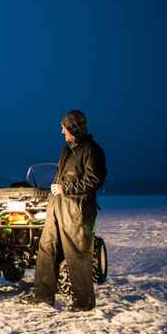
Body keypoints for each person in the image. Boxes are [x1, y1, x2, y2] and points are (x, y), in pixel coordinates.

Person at [26, 110, 107, 311]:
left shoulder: (92, 150)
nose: (62, 131)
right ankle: (43, 296)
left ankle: (83, 302)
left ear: (73, 127)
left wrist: (67, 189)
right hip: (57, 207)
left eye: (64, 127)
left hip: (77, 210)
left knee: (77, 253)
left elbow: (94, 179)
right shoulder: (66, 151)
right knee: (47, 247)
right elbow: (58, 178)